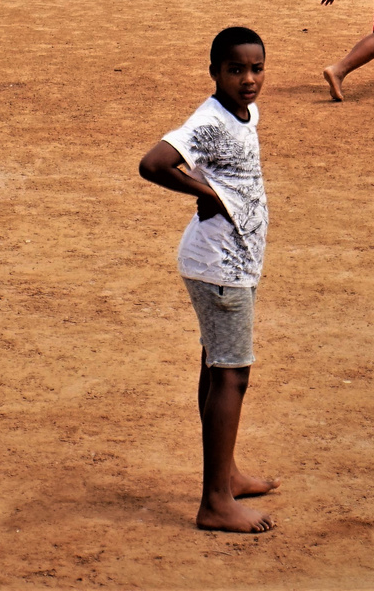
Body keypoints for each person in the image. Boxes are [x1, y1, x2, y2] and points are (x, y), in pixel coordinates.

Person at [138, 27, 277, 534]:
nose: (248, 80)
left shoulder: (244, 113)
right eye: (235, 70)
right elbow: (153, 164)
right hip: (221, 269)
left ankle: (227, 474)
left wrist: (212, 189)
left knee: (216, 367)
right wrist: (208, 194)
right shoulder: (209, 121)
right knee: (232, 376)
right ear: (214, 71)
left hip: (231, 263)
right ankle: (215, 501)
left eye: (256, 68)